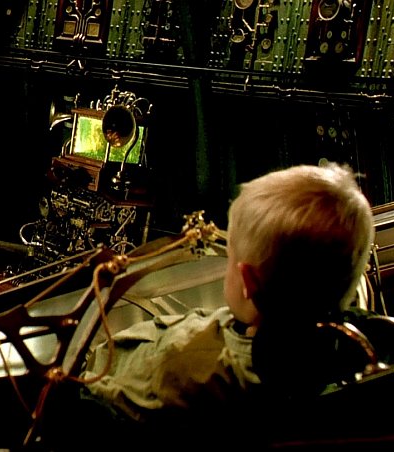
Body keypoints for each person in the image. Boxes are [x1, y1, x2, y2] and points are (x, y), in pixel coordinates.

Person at [74, 162, 377, 427]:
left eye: (229, 256)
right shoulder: (352, 352)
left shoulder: (180, 368)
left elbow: (94, 395)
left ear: (249, 282)